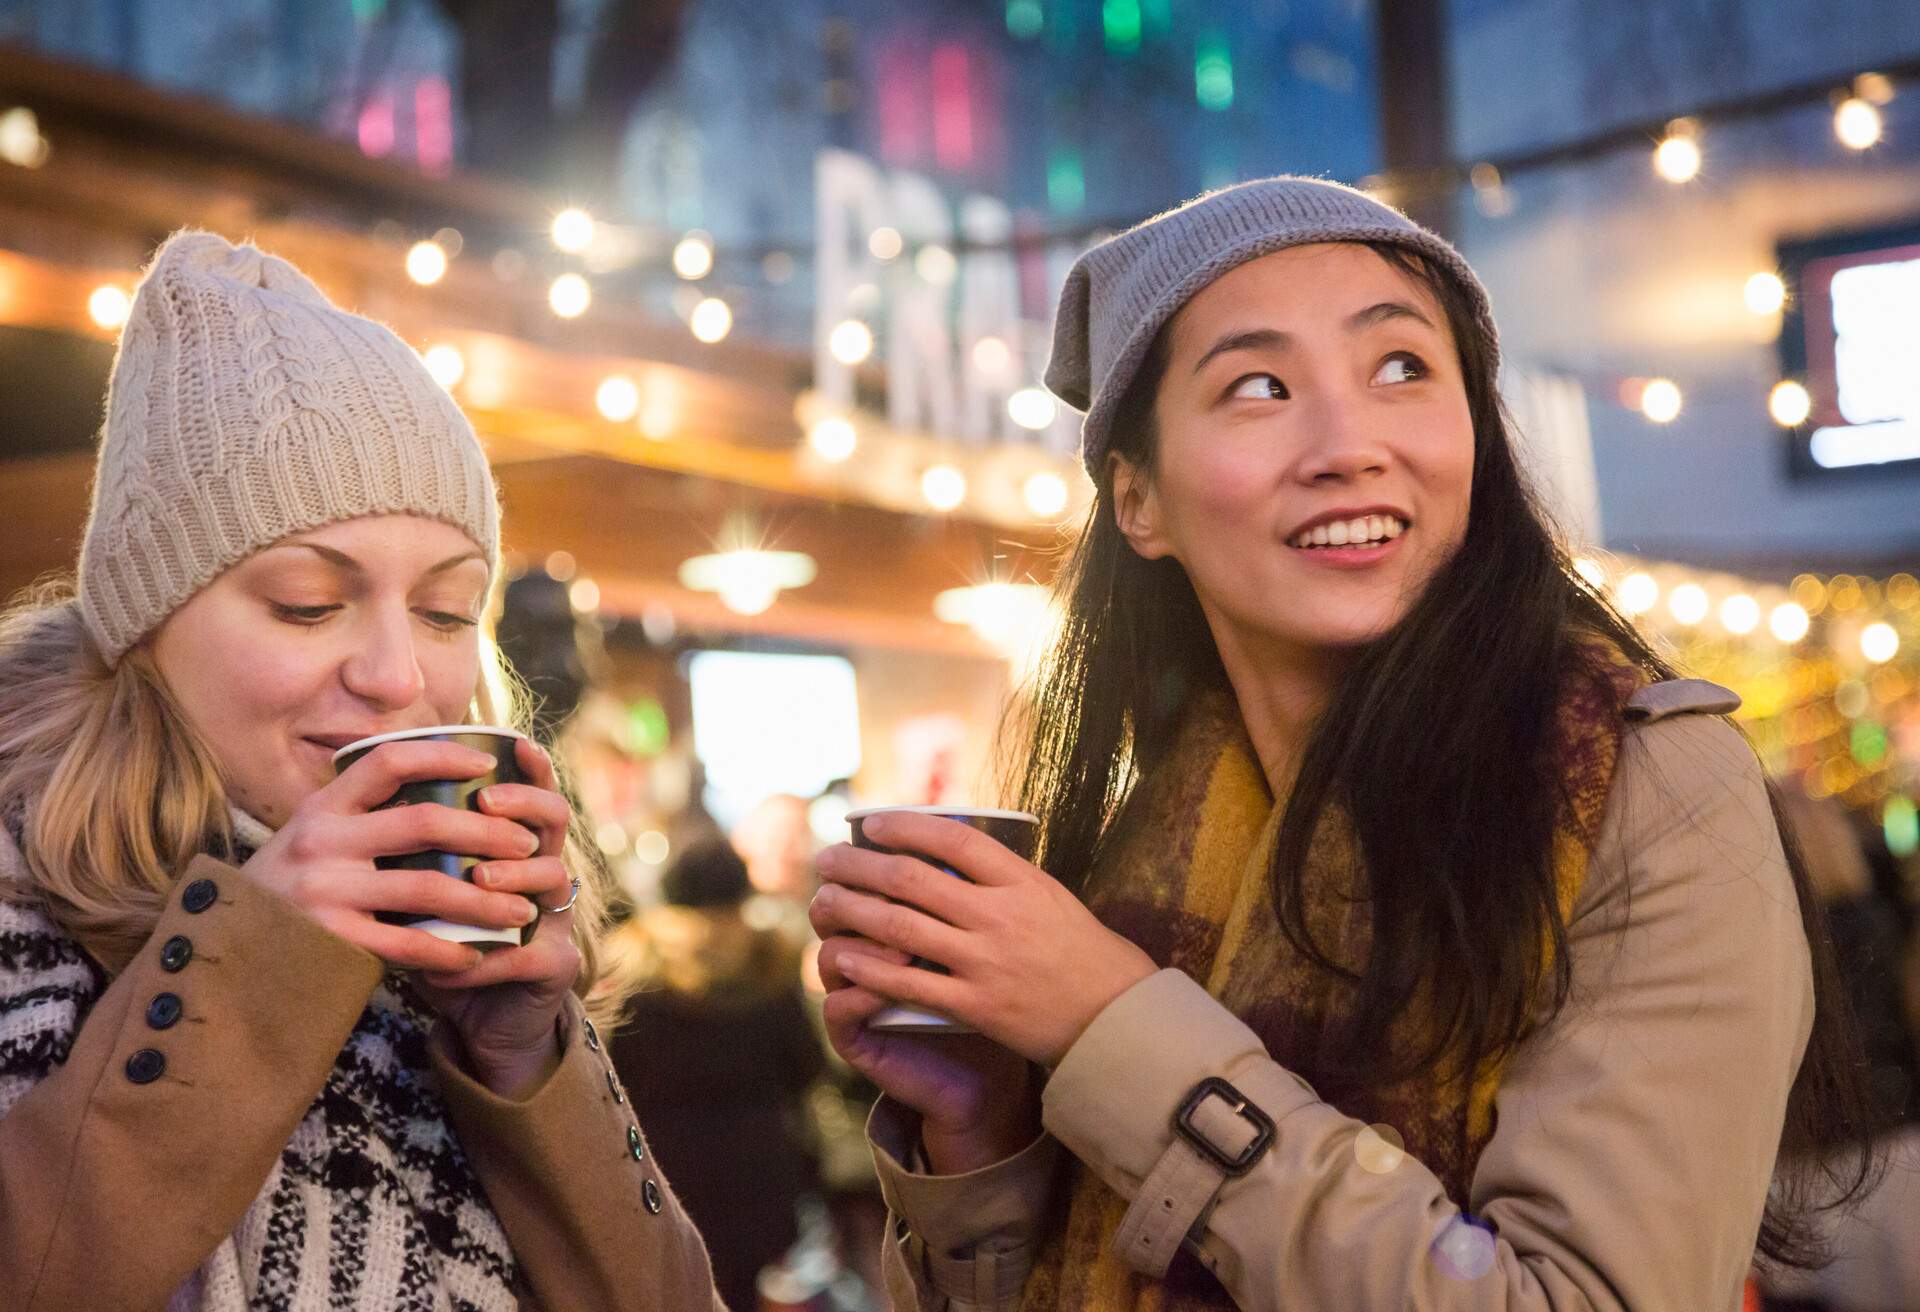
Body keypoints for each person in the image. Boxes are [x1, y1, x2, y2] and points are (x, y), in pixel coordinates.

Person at [806, 177, 1885, 1311]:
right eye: (1260, 386)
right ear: (1140, 502)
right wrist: (986, 1132)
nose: (1348, 443)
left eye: (1403, 368)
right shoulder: (1153, 845)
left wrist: (1108, 1025)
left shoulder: (1641, 780)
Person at [0, 232, 722, 1310]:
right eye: (307, 603)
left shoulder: (456, 925)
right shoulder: (23, 891)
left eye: (445, 612)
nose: (399, 677)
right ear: (143, 622)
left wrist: (529, 1063)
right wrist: (256, 960)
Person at [606, 838, 827, 1311]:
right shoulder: (770, 964)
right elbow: (807, 1066)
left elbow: (611, 1078)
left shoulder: (631, 971)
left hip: (662, 1172)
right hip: (756, 1173)